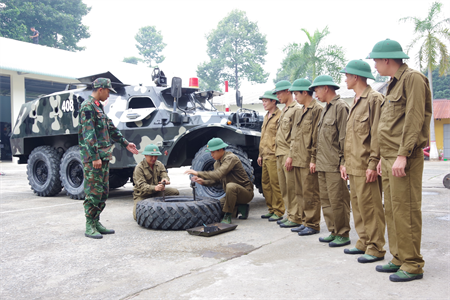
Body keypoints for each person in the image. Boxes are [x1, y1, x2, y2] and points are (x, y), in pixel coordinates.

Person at [368, 39, 431, 282]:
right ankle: (399, 257)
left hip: (404, 156)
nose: (374, 64)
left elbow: (414, 118)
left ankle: (413, 263)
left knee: (406, 210)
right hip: (391, 157)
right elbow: (389, 125)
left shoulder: (412, 78)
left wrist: (402, 155)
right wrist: (385, 157)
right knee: (392, 210)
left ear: (387, 60)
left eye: (376, 60)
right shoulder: (392, 84)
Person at [79, 78, 138, 239]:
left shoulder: (98, 108)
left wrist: (126, 144)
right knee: (93, 192)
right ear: (100, 89)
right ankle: (89, 224)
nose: (109, 95)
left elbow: (110, 128)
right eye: (108, 91)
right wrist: (94, 157)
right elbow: (88, 135)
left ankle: (96, 221)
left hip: (103, 157)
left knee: (103, 191)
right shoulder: (88, 107)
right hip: (95, 159)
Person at [339, 60, 386, 263]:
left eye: (347, 75)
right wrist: (345, 163)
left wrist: (373, 163)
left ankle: (376, 247)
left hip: (367, 164)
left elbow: (377, 134)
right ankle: (364, 241)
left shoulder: (374, 99)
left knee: (371, 207)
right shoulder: (355, 101)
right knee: (358, 205)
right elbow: (351, 138)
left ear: (356, 77)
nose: (345, 79)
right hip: (354, 164)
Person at [310, 75, 351, 247]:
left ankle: (343, 233)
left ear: (326, 88)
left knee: (338, 200)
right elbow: (319, 139)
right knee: (326, 201)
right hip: (323, 163)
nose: (315, 94)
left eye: (316, 90)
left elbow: (345, 138)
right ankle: (333, 230)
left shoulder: (340, 107)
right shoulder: (325, 109)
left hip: (335, 164)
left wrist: (344, 162)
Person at [185, 138, 254, 224]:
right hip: (231, 195)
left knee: (231, 186)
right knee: (215, 209)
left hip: (245, 193)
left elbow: (218, 174)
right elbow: (217, 181)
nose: (211, 155)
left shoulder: (230, 158)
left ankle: (228, 215)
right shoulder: (217, 163)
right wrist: (203, 182)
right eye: (210, 152)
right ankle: (240, 208)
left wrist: (198, 173)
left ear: (220, 150)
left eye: (213, 152)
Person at [287, 78, 322, 236]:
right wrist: (290, 156)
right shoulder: (300, 111)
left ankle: (313, 223)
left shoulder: (317, 110)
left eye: (296, 94)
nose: (295, 97)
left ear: (305, 92)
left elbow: (317, 137)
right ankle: (304, 220)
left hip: (308, 159)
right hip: (297, 158)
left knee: (310, 193)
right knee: (300, 192)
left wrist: (314, 159)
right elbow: (294, 137)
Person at [273, 80, 302, 228]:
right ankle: (290, 214)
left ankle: (296, 216)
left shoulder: (296, 109)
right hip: (280, 152)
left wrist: (291, 155)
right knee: (284, 188)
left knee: (292, 187)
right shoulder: (284, 110)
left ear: (288, 91)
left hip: (288, 154)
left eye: (279, 93)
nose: (277, 96)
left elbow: (296, 135)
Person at [133, 144, 180, 220]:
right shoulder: (139, 168)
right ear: (145, 155)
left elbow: (164, 174)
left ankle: (168, 210)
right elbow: (141, 186)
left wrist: (164, 179)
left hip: (157, 193)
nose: (154, 158)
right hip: (143, 195)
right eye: (151, 156)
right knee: (137, 216)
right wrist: (155, 188)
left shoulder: (159, 164)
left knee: (174, 192)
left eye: (156, 156)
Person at [257, 90, 284, 222]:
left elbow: (281, 137)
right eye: (263, 102)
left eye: (266, 101)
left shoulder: (280, 115)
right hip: (265, 155)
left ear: (274, 101)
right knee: (265, 184)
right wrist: (260, 154)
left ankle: (279, 211)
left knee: (275, 184)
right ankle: (271, 209)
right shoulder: (266, 116)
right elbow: (263, 137)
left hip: (274, 155)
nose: (264, 104)